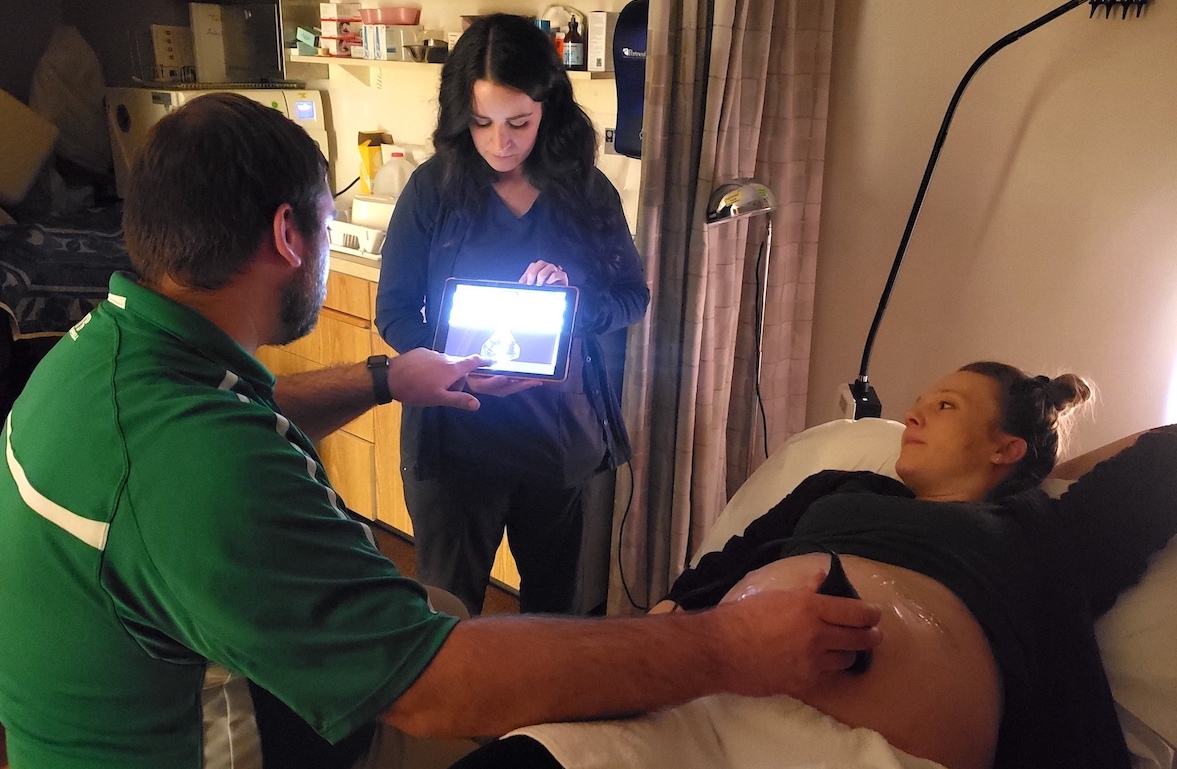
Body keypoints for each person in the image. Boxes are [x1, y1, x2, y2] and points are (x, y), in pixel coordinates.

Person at [0, 92, 884, 769]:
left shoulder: (101, 356)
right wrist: (729, 644)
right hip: (201, 745)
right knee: (546, 716)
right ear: (289, 234)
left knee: (452, 605)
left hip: (123, 698)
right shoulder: (197, 466)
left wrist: (389, 377)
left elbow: (235, 415)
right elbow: (435, 689)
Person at [451, 362, 1177, 769]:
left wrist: (1050, 474)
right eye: (919, 398)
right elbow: (716, 570)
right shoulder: (840, 488)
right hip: (702, 717)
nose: (916, 413)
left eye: (944, 403)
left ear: (1003, 446)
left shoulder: (1041, 531)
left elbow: (1164, 455)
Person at [375, 13, 650, 615]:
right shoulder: (434, 189)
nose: (501, 142)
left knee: (554, 617)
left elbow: (633, 297)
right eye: (482, 123)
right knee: (448, 615)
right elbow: (394, 311)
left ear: (548, 107)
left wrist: (573, 304)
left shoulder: (585, 192)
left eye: (519, 122)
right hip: (454, 438)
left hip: (555, 439)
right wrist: (452, 365)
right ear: (459, 117)